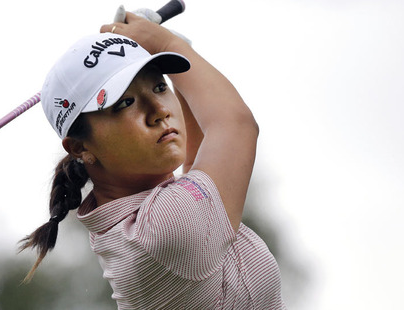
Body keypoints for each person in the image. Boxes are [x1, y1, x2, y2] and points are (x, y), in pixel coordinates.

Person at [19, 10, 286, 309]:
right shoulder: (163, 231)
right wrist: (164, 42)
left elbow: (198, 167)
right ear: (80, 147)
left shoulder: (135, 217)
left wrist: (174, 51)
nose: (159, 109)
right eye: (125, 103)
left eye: (160, 86)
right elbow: (236, 126)